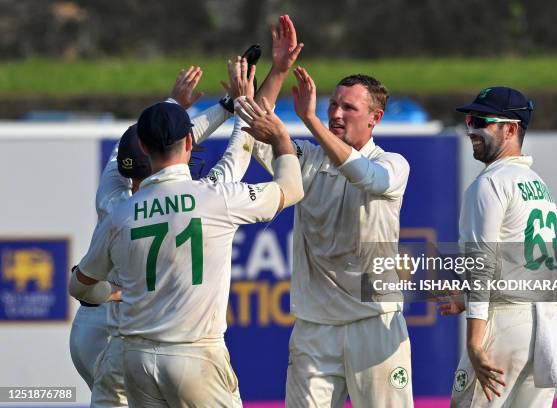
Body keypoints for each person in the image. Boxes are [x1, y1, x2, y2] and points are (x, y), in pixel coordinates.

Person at [69, 93, 303, 407]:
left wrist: (114, 291)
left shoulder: (120, 214)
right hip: (194, 356)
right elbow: (292, 188)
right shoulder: (214, 197)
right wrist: (280, 139)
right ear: (190, 143)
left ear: (143, 147)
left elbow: (79, 287)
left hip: (135, 357)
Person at [239, 15, 413, 407]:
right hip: (315, 328)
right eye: (333, 104)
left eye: (348, 108)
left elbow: (366, 177)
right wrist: (279, 70)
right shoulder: (307, 158)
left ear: (375, 119)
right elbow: (254, 124)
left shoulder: (393, 163)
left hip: (375, 322)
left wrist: (310, 119)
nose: (336, 113)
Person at [446, 86, 557, 407]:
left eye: (481, 120)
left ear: (510, 129)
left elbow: (481, 265)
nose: (471, 129)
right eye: (468, 119)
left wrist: (475, 342)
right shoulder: (539, 185)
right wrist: (466, 298)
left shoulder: (489, 183)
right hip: (544, 329)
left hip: (504, 327)